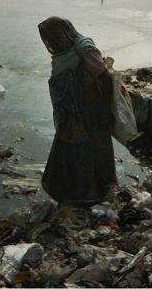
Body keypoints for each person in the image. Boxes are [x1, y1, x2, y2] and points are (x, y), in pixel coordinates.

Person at [38, 16, 117, 206]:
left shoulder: (84, 50)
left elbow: (106, 78)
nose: (49, 44)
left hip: (91, 112)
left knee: (92, 155)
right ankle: (72, 193)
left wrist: (105, 112)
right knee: (70, 154)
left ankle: (94, 194)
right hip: (71, 116)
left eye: (51, 39)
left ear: (62, 34)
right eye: (47, 41)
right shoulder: (62, 55)